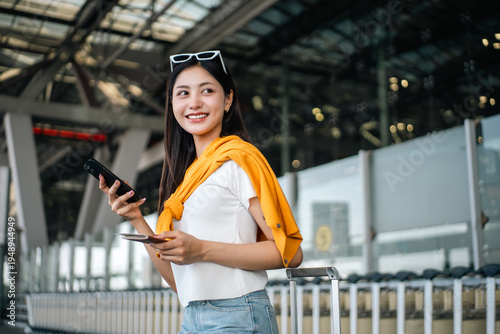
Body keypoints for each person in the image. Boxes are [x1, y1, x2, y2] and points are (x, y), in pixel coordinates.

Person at [98, 50, 303, 333]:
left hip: (238, 315)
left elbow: (290, 255)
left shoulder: (238, 161)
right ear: (171, 104)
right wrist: (136, 218)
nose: (194, 102)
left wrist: (201, 249)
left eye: (207, 90)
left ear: (228, 99)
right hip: (192, 317)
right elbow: (176, 281)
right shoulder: (185, 182)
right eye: (182, 93)